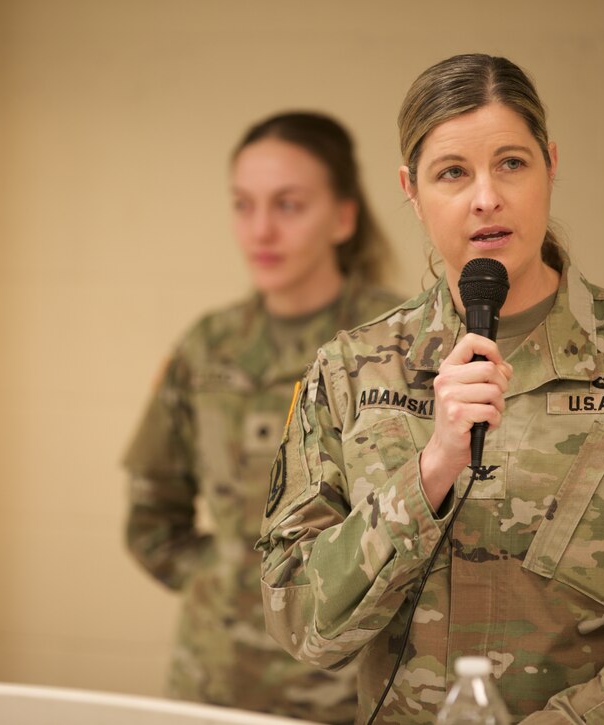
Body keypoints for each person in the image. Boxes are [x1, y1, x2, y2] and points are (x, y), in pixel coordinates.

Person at [258, 54, 604, 724]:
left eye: (511, 163)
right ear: (411, 189)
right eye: (452, 172)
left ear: (550, 165)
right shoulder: (351, 371)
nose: (486, 198)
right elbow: (300, 618)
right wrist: (431, 470)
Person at [123, 110, 404, 723]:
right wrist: (224, 582)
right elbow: (150, 517)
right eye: (244, 205)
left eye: (288, 205)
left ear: (343, 217)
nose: (261, 230)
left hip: (349, 691)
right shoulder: (208, 346)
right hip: (213, 685)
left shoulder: (397, 343)